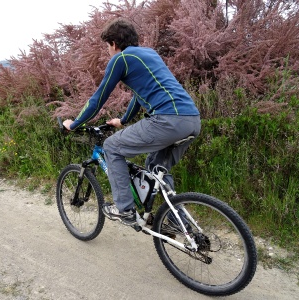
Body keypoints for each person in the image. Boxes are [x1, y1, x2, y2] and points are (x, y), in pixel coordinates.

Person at [63, 18, 201, 226]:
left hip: (167, 119)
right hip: (191, 120)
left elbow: (98, 99)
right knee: (156, 168)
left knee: (111, 147)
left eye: (107, 47)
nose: (108, 51)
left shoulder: (121, 59)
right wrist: (123, 120)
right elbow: (140, 93)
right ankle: (176, 221)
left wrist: (74, 124)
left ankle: (125, 210)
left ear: (114, 44)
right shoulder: (150, 54)